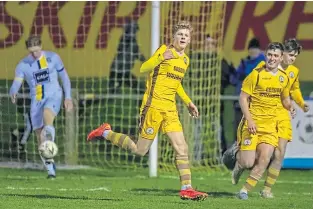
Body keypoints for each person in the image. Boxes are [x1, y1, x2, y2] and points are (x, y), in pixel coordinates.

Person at [87, 21, 208, 201]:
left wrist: (188, 102)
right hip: (153, 107)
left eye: (186, 36)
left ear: (189, 40)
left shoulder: (185, 60)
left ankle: (187, 188)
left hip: (170, 109)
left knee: (182, 147)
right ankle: (105, 132)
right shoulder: (164, 51)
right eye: (180, 35)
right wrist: (161, 57)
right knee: (139, 150)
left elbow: (176, 84)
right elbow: (143, 68)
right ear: (173, 38)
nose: (183, 37)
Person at [232, 42, 295, 200]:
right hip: (252, 123)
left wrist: (290, 107)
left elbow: (285, 98)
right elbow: (243, 98)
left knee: (265, 158)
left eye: (275, 56)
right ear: (265, 55)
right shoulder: (256, 74)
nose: (272, 58)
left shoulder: (284, 78)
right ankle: (236, 159)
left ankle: (244, 191)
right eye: (270, 55)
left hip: (270, 127)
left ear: (281, 58)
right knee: (247, 162)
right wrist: (250, 120)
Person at [9, 36, 73, 178]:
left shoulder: (53, 58)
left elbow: (65, 78)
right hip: (36, 101)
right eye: (31, 52)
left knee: (47, 116)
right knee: (39, 135)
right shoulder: (23, 65)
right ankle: (50, 169)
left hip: (53, 96)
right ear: (28, 50)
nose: (35, 54)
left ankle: (49, 134)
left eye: (37, 51)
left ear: (41, 46)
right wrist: (13, 91)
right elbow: (16, 82)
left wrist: (68, 96)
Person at [258, 38, 309, 198]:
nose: (292, 59)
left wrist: (301, 104)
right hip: (263, 114)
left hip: (282, 115)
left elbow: (295, 89)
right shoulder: (265, 67)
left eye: (295, 56)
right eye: (290, 55)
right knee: (258, 154)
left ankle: (266, 189)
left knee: (280, 153)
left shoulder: (293, 71)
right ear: (282, 54)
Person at [231, 38, 266, 142]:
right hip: (242, 102)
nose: (253, 52)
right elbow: (233, 80)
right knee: (239, 127)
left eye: (255, 50)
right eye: (251, 50)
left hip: (258, 103)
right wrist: (233, 72)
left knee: (258, 130)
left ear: (259, 50)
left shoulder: (264, 62)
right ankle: (238, 150)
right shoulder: (244, 63)